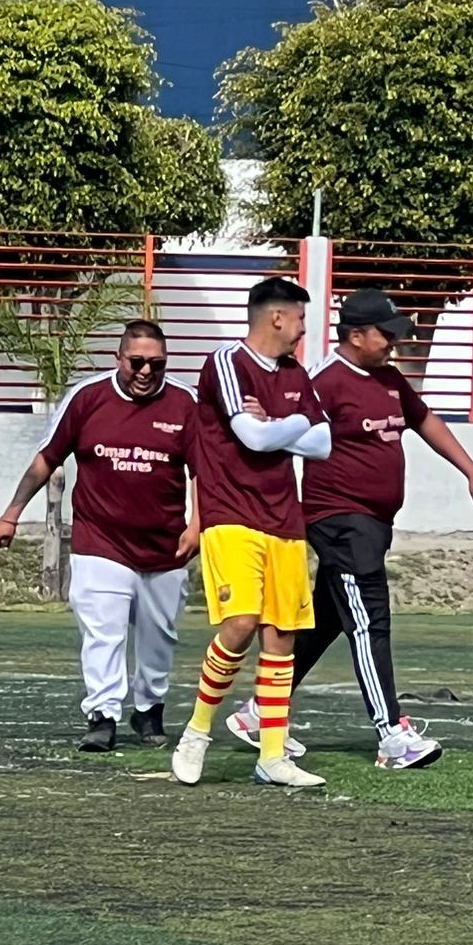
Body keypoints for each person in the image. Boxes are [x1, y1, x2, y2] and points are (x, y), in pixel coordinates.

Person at [225, 288, 473, 769]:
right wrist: (266, 421)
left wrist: (471, 472)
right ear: (356, 335)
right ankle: (391, 733)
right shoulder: (323, 382)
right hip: (338, 519)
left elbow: (425, 420)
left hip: (374, 522)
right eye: (386, 334)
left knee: (327, 621)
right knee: (370, 619)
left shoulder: (389, 379)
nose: (394, 343)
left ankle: (258, 713)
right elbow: (283, 430)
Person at [0, 320, 198, 752]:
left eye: (156, 365)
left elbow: (205, 472)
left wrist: (197, 525)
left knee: (159, 636)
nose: (145, 372)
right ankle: (102, 715)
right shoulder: (88, 398)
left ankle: (150, 709)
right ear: (118, 359)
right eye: (137, 362)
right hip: (100, 541)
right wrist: (11, 514)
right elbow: (47, 459)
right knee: (104, 632)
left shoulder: (184, 403)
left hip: (165, 545)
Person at [171, 276, 332, 790]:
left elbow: (324, 442)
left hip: (285, 518)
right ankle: (197, 732)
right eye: (302, 319)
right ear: (277, 317)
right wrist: (294, 423)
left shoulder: (295, 373)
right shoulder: (225, 362)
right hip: (229, 514)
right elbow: (252, 436)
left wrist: (284, 422)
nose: (304, 330)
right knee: (240, 622)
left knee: (281, 636)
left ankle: (271, 754)